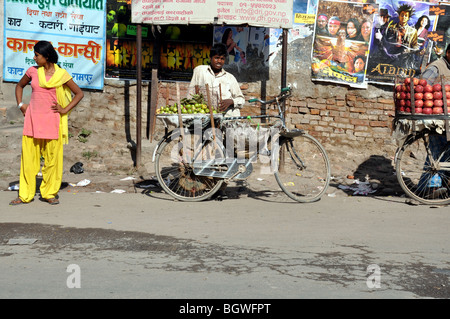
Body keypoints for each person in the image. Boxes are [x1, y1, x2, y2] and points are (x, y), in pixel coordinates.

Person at [10, 40, 84, 206]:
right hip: (32, 120)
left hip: (52, 121)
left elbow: (79, 93)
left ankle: (49, 193)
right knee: (29, 161)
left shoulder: (61, 75)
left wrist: (64, 109)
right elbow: (19, 86)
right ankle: (24, 195)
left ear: (47, 56)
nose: (34, 58)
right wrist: (21, 105)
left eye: (37, 55)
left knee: (52, 161)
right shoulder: (32, 72)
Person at [418, 44, 450, 199]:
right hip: (436, 118)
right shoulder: (437, 67)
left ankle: (436, 186)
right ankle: (429, 188)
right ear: (449, 53)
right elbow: (422, 86)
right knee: (436, 152)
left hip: (446, 117)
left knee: (442, 153)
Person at [189, 43, 244, 116]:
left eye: (222, 59)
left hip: (226, 118)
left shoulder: (230, 78)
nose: (219, 61)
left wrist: (231, 101)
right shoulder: (200, 71)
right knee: (196, 127)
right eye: (216, 58)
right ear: (210, 58)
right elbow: (191, 94)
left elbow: (241, 100)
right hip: (204, 116)